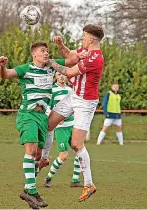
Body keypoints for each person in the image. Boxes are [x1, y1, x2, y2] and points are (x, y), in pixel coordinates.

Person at [0, 42, 79, 209]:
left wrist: (71, 49)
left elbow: (71, 61)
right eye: (43, 51)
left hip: (42, 117)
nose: (46, 53)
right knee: (32, 150)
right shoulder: (25, 68)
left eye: (47, 51)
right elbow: (5, 75)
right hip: (28, 114)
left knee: (39, 155)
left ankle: (27, 189)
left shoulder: (51, 66)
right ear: (34, 54)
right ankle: (32, 191)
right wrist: (2, 66)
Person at [43, 24, 104, 202]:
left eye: (84, 36)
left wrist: (50, 63)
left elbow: (68, 71)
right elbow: (70, 56)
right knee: (48, 124)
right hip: (74, 96)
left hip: (85, 102)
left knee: (77, 144)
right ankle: (44, 159)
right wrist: (61, 45)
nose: (82, 39)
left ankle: (89, 184)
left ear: (91, 39)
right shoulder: (85, 52)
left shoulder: (95, 58)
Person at [43, 72, 83, 188]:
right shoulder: (52, 90)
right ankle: (48, 177)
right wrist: (55, 118)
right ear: (55, 76)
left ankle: (75, 180)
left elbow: (74, 105)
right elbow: (47, 107)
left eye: (63, 74)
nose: (61, 76)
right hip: (61, 128)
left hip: (73, 125)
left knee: (79, 151)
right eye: (59, 74)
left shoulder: (70, 90)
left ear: (66, 76)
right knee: (63, 156)